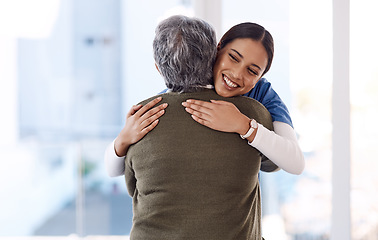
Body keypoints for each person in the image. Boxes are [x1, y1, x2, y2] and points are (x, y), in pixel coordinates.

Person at [119, 15, 273, 239]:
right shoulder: (253, 113)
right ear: (213, 57)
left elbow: (133, 188)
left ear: (158, 68)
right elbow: (272, 164)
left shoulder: (140, 116)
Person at [105, 21, 304, 177]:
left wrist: (243, 125)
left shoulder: (263, 95)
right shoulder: (186, 88)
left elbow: (295, 163)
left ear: (260, 77)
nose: (236, 74)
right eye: (233, 57)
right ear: (217, 50)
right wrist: (123, 139)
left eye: (252, 71)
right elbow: (113, 170)